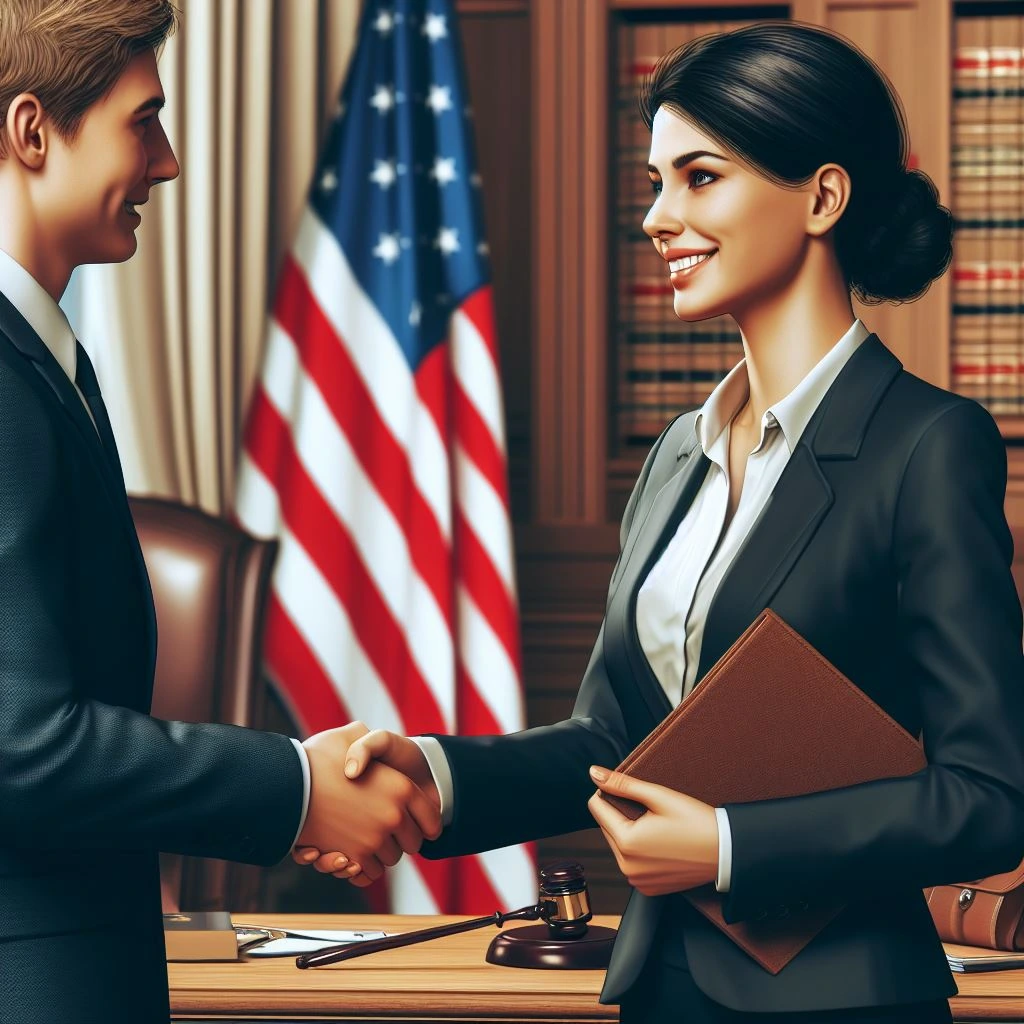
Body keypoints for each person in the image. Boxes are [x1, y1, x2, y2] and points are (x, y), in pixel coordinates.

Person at [294, 20, 1024, 1024]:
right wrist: (435, 770)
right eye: (654, 182)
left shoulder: (927, 445)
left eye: (699, 178)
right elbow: (611, 740)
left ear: (821, 196)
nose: (657, 217)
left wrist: (728, 846)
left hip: (841, 998)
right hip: (659, 985)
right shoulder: (680, 450)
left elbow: (984, 796)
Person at [0, 3, 440, 1020]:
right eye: (141, 121)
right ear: (31, 133)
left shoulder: (50, 362)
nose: (168, 162)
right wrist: (295, 787)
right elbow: (21, 741)